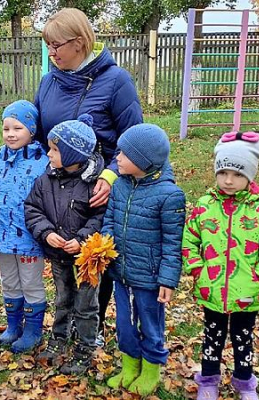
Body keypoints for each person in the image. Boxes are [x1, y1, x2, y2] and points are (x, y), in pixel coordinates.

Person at [35, 8, 145, 345]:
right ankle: (67, 321)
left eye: (56, 46)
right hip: (59, 185)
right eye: (48, 46)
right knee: (62, 257)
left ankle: (91, 325)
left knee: (91, 257)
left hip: (99, 185)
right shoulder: (49, 82)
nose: (51, 53)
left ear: (80, 42)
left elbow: (133, 138)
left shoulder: (116, 81)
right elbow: (42, 134)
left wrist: (110, 176)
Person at [182, 131, 259, 400]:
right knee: (212, 336)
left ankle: (244, 381)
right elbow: (189, 239)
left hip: (247, 290)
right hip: (212, 288)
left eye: (238, 174)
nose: (228, 180)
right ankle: (208, 380)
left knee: (243, 337)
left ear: (250, 176)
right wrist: (197, 269)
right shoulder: (205, 207)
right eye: (223, 172)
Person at [102, 124, 185, 396]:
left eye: (124, 154)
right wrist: (103, 245)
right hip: (121, 272)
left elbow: (173, 243)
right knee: (124, 324)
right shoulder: (120, 185)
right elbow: (109, 221)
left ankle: (150, 371)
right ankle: (129, 366)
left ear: (143, 160)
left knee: (150, 323)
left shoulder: (170, 196)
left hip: (150, 278)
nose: (118, 158)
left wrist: (167, 279)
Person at [24, 114, 106, 375]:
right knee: (62, 299)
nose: (49, 154)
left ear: (73, 155)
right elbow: (32, 208)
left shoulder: (95, 185)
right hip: (59, 257)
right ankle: (59, 339)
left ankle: (84, 348)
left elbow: (101, 218)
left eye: (55, 150)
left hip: (86, 261)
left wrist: (81, 240)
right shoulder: (46, 179)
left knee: (86, 305)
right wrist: (46, 233)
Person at [0, 100, 49, 352]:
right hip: (1, 236)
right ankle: (13, 326)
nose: (11, 134)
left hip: (29, 239)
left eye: (17, 128)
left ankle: (33, 330)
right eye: (6, 128)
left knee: (31, 283)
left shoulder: (43, 164)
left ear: (31, 130)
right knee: (9, 281)